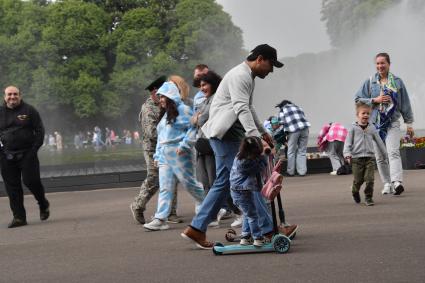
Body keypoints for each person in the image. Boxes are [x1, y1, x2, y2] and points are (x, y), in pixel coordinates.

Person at [181, 44, 297, 249]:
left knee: (224, 182)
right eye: (271, 65)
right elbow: (241, 107)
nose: (271, 71)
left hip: (223, 135)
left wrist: (262, 131)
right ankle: (268, 229)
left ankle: (197, 229)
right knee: (248, 178)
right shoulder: (241, 76)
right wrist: (255, 139)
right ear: (260, 59)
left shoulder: (245, 75)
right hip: (227, 136)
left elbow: (248, 107)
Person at [143, 82, 204, 231]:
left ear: (171, 96)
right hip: (165, 155)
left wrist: (184, 145)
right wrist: (157, 156)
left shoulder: (184, 110)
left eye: (163, 96)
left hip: (180, 153)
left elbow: (193, 128)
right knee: (165, 187)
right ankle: (160, 218)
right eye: (160, 96)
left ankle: (212, 206)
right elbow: (161, 137)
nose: (160, 99)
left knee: (189, 183)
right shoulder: (165, 115)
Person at [355, 52, 414, 195]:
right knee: (380, 156)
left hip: (392, 122)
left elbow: (405, 103)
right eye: (377, 63)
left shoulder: (397, 82)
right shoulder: (369, 82)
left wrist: (409, 123)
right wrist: (375, 100)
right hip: (375, 125)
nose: (380, 66)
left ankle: (397, 182)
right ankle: (387, 183)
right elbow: (358, 99)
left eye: (383, 63)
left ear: (389, 64)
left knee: (393, 152)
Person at [131, 76, 181, 224]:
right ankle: (138, 205)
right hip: (152, 149)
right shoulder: (148, 108)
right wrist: (171, 133)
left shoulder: (167, 104)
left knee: (172, 176)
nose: (162, 96)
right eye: (160, 93)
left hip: (167, 146)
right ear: (154, 92)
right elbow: (151, 133)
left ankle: (171, 212)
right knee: (154, 178)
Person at [0, 85, 50, 228]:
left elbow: (40, 131)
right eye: (9, 94)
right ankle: (19, 218)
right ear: (4, 96)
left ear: (20, 95)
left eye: (15, 94)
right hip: (6, 156)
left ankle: (43, 203)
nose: (12, 97)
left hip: (28, 154)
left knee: (31, 181)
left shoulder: (29, 110)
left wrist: (33, 151)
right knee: (12, 188)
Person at [343, 102, 387, 206]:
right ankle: (355, 190)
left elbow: (379, 141)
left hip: (370, 158)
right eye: (363, 113)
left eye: (368, 113)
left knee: (370, 179)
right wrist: (347, 154)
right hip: (356, 159)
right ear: (357, 115)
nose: (366, 115)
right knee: (358, 180)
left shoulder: (372, 128)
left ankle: (368, 197)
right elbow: (347, 143)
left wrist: (385, 154)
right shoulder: (353, 128)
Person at [230, 136, 268, 246]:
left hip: (240, 191)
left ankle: (245, 237)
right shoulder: (246, 162)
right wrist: (263, 157)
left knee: (248, 214)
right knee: (253, 215)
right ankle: (258, 238)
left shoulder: (240, 156)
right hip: (241, 193)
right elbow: (260, 167)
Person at [276, 100, 310, 176]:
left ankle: (290, 172)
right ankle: (302, 172)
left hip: (293, 130)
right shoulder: (298, 107)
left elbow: (281, 122)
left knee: (291, 151)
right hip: (305, 129)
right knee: (302, 151)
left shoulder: (283, 110)